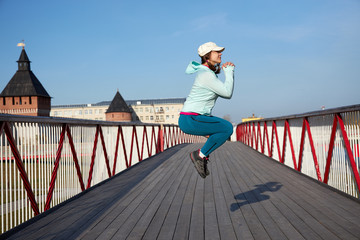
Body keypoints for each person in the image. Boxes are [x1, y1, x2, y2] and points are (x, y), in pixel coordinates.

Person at [178, 42, 235, 178]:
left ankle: (202, 156)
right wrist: (229, 72)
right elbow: (227, 93)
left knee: (220, 133)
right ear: (207, 56)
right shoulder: (206, 74)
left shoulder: (207, 73)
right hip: (191, 118)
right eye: (217, 52)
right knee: (227, 127)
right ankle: (199, 155)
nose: (220, 53)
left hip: (192, 119)